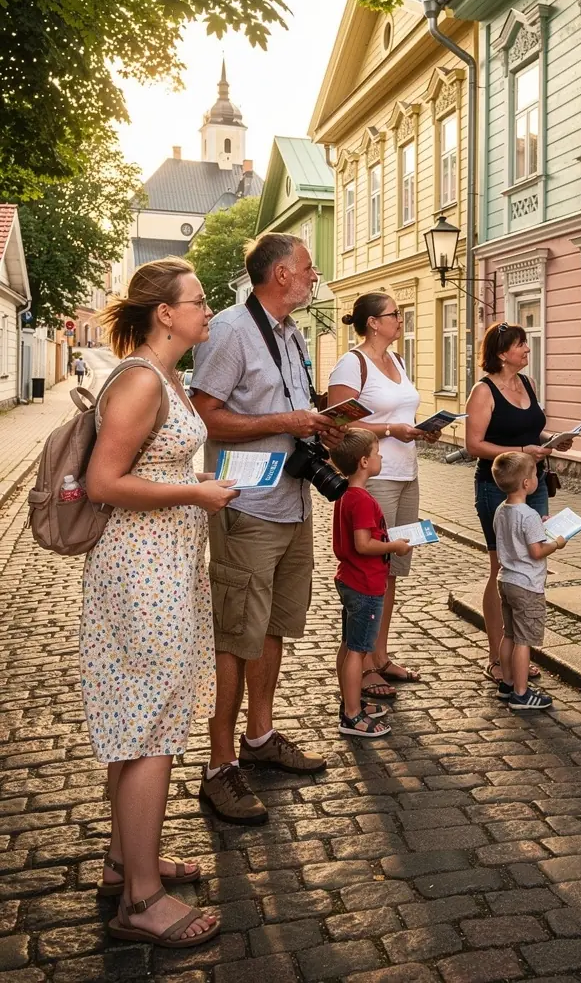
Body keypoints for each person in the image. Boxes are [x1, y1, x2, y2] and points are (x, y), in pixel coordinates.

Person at [81, 257, 238, 949]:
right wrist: (191, 492)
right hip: (141, 573)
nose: (209, 311)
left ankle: (127, 860)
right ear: (165, 314)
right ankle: (142, 900)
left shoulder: (169, 377)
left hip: (166, 565)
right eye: (199, 301)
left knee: (142, 719)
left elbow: (151, 464)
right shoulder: (143, 380)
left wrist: (190, 478)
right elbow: (103, 482)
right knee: (150, 729)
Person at [191, 232, 343, 825]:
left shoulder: (291, 332)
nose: (313, 276)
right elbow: (205, 415)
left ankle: (259, 737)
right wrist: (286, 419)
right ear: (280, 273)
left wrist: (318, 424)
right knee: (235, 634)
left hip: (293, 501)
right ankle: (219, 765)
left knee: (275, 627)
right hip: (247, 504)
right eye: (308, 268)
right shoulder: (230, 329)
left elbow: (290, 405)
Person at [327, 292, 439, 697]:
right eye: (395, 314)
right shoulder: (351, 364)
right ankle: (362, 660)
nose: (401, 320)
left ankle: (379, 654)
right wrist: (391, 430)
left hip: (407, 472)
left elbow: (400, 414)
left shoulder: (398, 360)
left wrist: (421, 429)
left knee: (391, 570)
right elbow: (336, 429)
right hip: (374, 479)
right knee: (368, 573)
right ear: (373, 322)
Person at [465, 321, 573, 686]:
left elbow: (529, 431)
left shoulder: (527, 383)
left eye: (526, 344)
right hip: (497, 487)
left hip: (536, 482)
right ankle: (497, 656)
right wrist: (521, 451)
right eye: (521, 345)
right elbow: (474, 445)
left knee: (531, 557)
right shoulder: (483, 392)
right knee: (503, 567)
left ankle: (519, 650)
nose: (527, 349)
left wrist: (550, 441)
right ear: (501, 353)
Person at [330, 428, 412, 737]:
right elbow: (363, 545)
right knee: (358, 650)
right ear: (364, 462)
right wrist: (394, 546)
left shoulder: (346, 495)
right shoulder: (363, 500)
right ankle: (352, 714)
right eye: (377, 454)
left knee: (348, 644)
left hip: (350, 579)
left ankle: (349, 703)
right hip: (365, 584)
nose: (380, 457)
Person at [492, 451, 568, 711]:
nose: (537, 478)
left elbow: (517, 539)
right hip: (527, 585)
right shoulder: (529, 515)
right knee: (524, 640)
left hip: (506, 580)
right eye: (535, 474)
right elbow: (536, 551)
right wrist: (556, 543)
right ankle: (522, 694)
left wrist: (541, 527)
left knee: (509, 635)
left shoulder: (502, 510)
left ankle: (507, 684)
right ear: (526, 483)